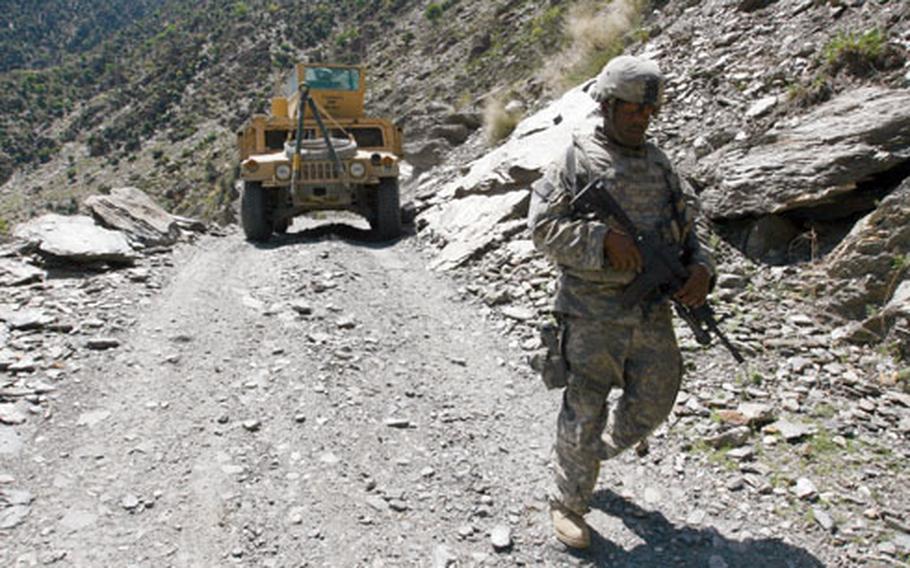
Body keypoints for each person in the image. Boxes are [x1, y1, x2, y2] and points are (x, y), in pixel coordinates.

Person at [527, 55, 716, 549]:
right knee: (584, 406)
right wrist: (599, 241)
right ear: (608, 104)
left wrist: (701, 269)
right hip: (591, 311)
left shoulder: (660, 165)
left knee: (657, 396)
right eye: (632, 108)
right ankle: (567, 501)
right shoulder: (575, 158)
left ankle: (591, 454)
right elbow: (541, 229)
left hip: (650, 310)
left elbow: (691, 227)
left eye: (648, 111)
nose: (640, 118)